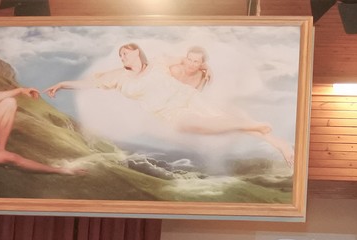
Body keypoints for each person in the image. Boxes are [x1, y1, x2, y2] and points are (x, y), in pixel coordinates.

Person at [45, 43, 294, 165]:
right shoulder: (118, 77)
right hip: (168, 113)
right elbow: (89, 83)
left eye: (126, 53)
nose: (122, 57)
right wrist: (62, 84)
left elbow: (188, 61)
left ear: (137, 53)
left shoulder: (158, 62)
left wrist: (205, 67)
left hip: (187, 99)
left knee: (220, 120)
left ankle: (279, 143)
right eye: (120, 55)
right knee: (200, 127)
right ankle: (251, 125)